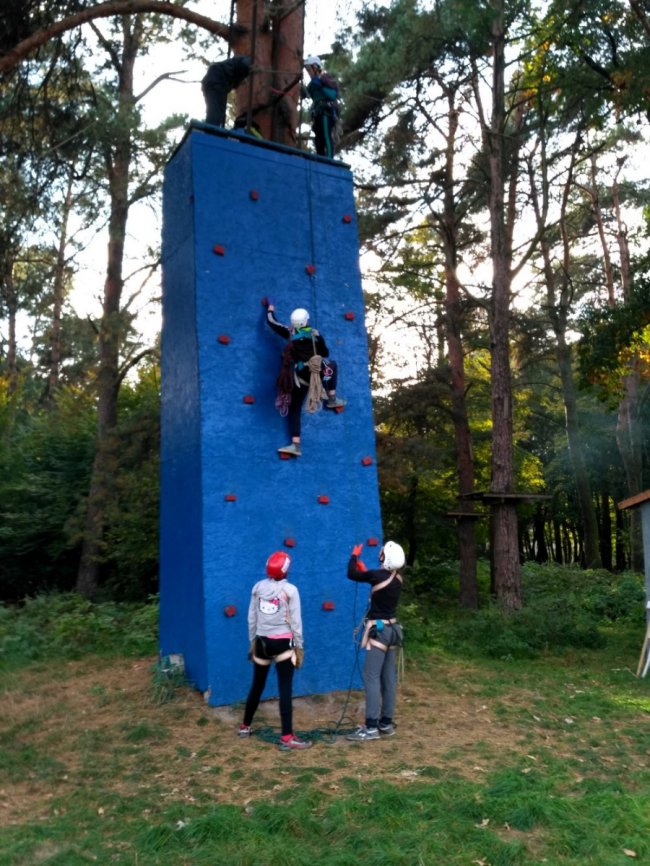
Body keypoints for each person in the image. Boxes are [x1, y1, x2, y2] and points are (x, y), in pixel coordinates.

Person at [239, 550, 312, 751]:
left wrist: (252, 640)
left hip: (261, 642)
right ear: (286, 569)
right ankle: (287, 736)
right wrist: (299, 645)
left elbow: (251, 618)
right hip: (283, 644)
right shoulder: (291, 591)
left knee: (257, 684)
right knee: (285, 688)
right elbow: (296, 622)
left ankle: (245, 726)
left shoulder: (257, 588)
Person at [264, 300, 345, 457]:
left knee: (295, 409)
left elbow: (271, 322)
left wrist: (270, 309)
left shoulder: (290, 332)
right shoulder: (315, 334)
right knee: (332, 365)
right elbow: (325, 353)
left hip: (300, 378)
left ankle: (295, 444)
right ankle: (332, 398)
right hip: (316, 373)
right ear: (306, 320)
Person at [346, 540, 405, 741]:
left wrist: (354, 556)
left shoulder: (377, 575)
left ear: (384, 558)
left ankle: (370, 727)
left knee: (371, 677)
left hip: (378, 631)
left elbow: (351, 574)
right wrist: (366, 571)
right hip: (393, 630)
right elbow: (373, 577)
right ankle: (386, 724)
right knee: (388, 679)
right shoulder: (398, 579)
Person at [303, 55, 341, 158]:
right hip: (317, 114)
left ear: (315, 67)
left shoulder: (324, 79)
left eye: (309, 69)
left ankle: (329, 159)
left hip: (326, 112)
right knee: (318, 140)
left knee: (326, 136)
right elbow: (304, 94)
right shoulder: (311, 84)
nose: (308, 72)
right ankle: (321, 159)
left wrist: (320, 86)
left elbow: (333, 95)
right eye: (306, 69)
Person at [202, 55, 251, 127]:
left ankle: (211, 129)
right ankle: (210, 131)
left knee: (217, 111)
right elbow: (244, 65)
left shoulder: (234, 70)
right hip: (217, 80)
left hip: (212, 82)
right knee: (216, 111)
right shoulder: (246, 62)